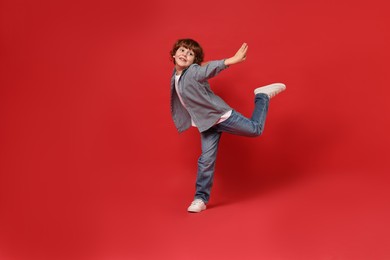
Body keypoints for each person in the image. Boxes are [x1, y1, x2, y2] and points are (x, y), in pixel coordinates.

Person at [170, 38, 286, 213]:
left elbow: (207, 69)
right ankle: (200, 199)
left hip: (221, 116)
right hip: (207, 124)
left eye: (190, 53)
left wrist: (231, 61)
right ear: (174, 54)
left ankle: (262, 96)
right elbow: (203, 66)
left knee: (255, 130)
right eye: (183, 50)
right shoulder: (176, 74)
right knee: (206, 161)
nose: (185, 54)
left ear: (194, 61)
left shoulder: (193, 72)